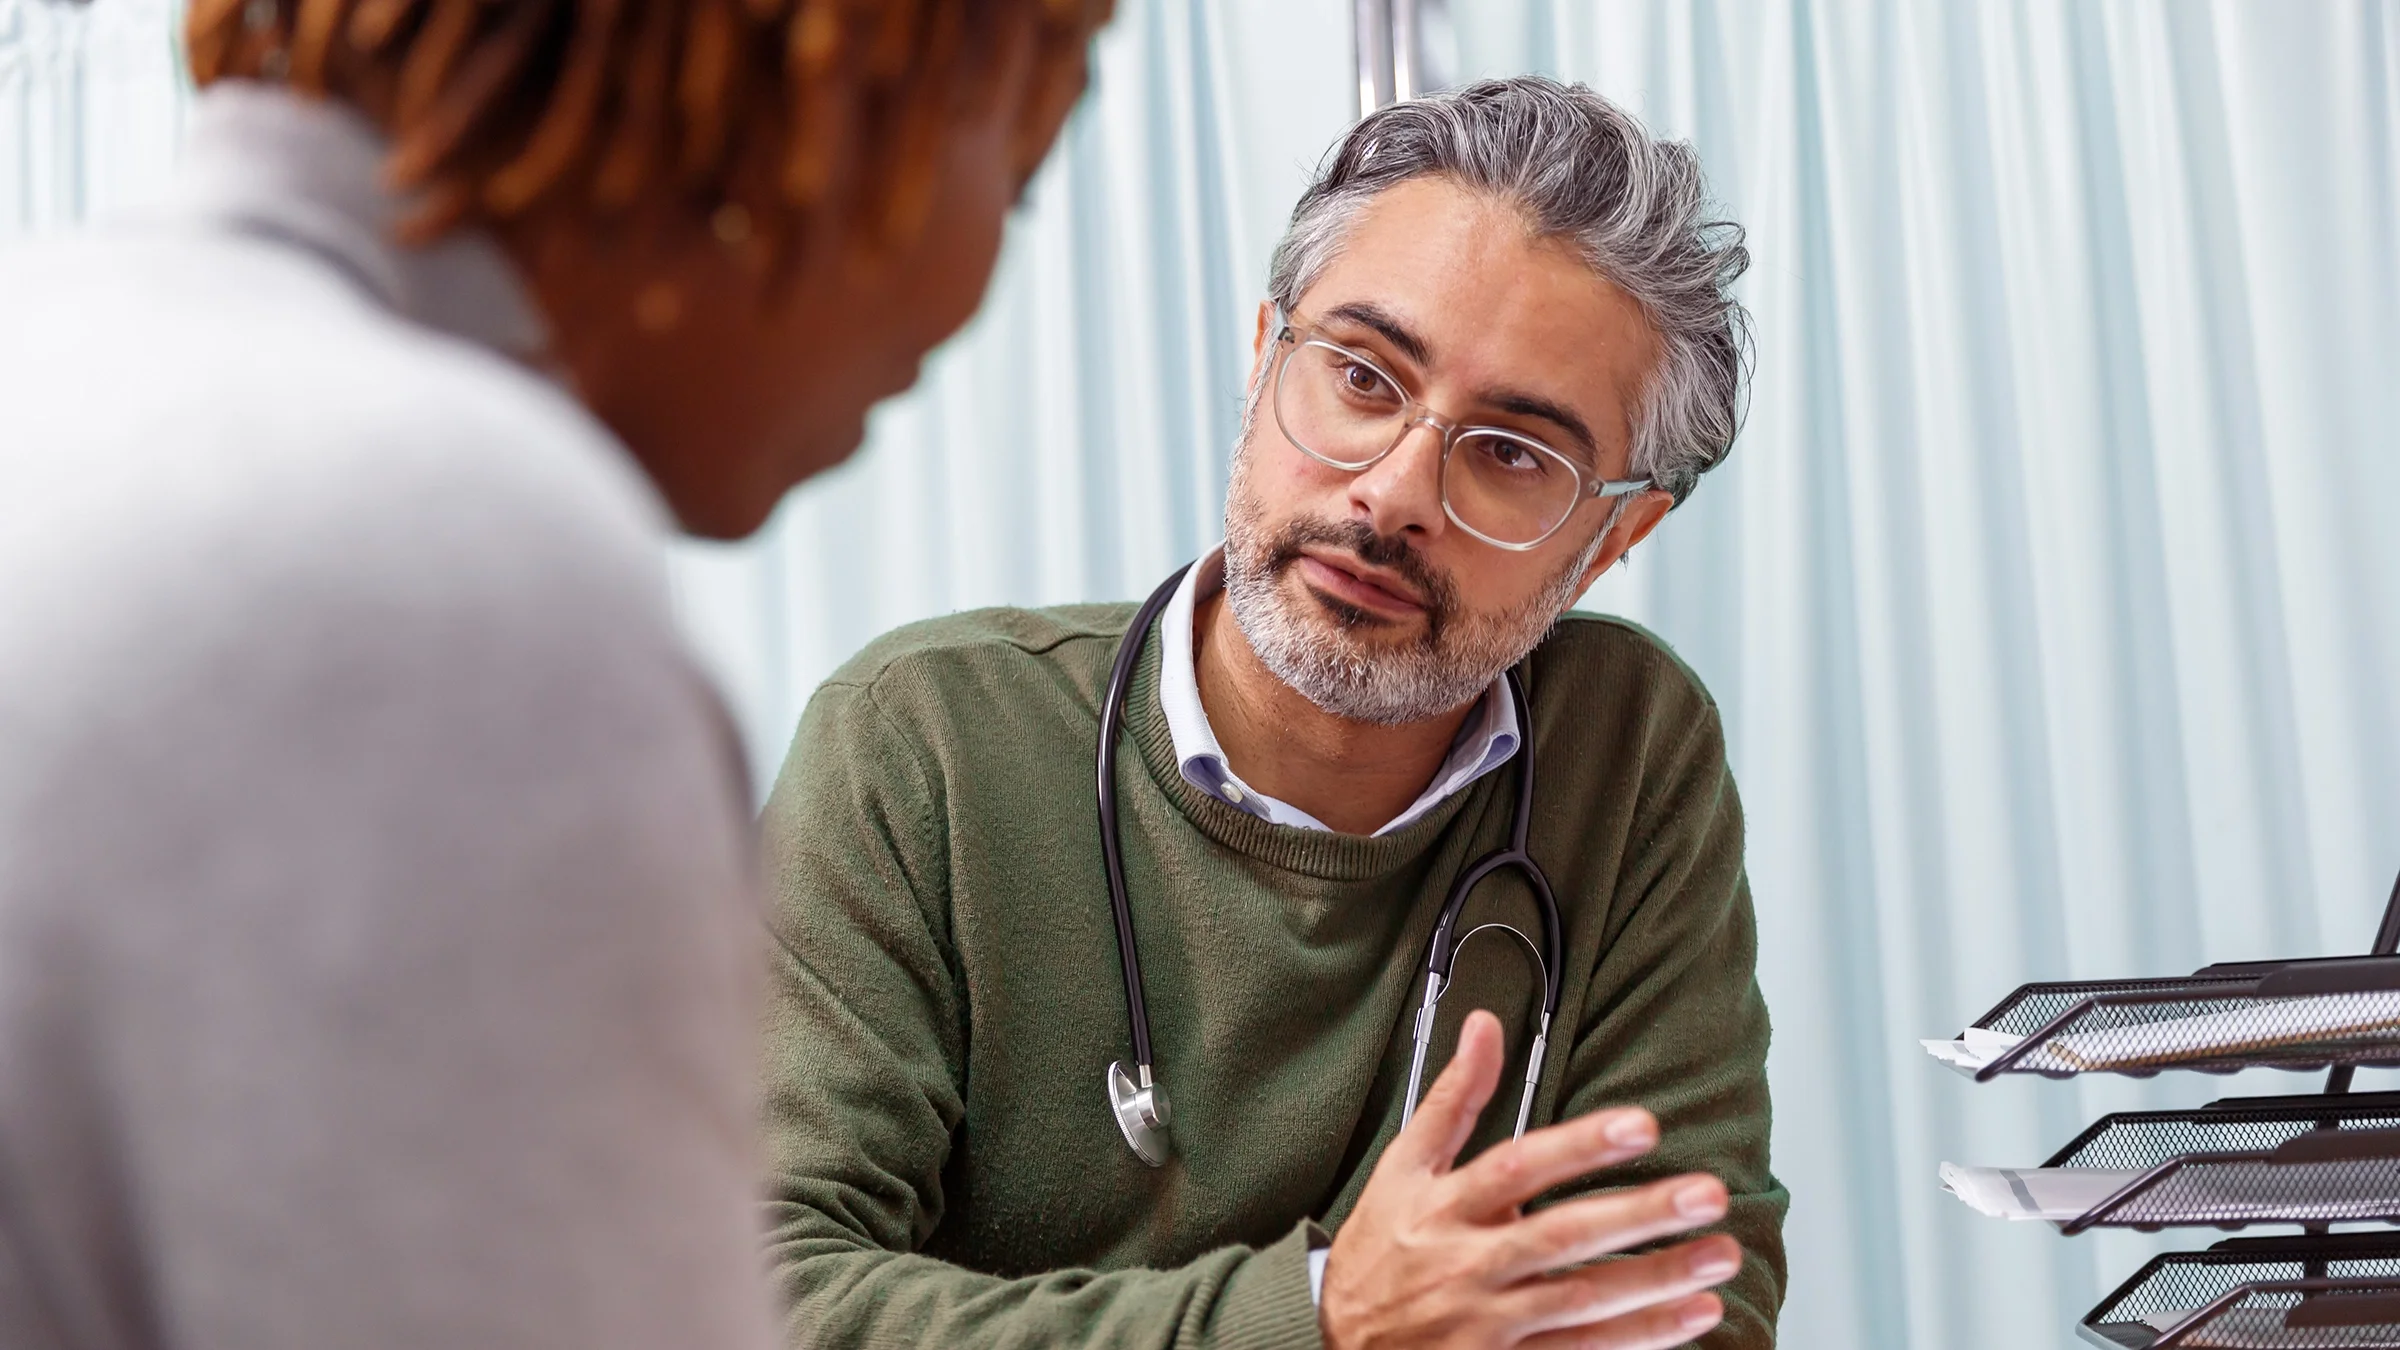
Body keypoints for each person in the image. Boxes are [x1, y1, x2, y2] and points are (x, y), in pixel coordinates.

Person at [0, 1, 1110, 1346]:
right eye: (1023, 168)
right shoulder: (438, 565)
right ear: (832, 72)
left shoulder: (59, 353)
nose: (983, 270)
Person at [759, 74, 1785, 1350]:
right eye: (1362, 376)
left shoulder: (1624, 753)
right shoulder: (920, 743)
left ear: (1618, 533)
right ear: (1263, 358)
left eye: (1514, 454)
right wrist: (1320, 1319)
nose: (1396, 491)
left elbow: (1688, 1294)